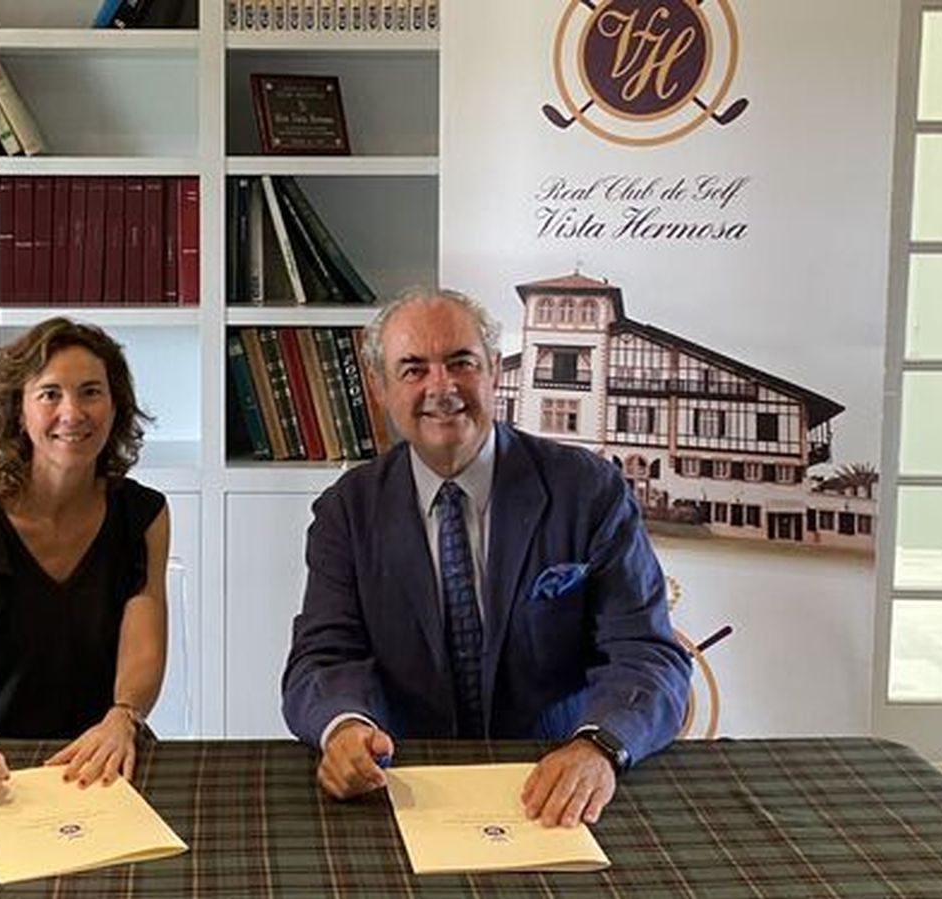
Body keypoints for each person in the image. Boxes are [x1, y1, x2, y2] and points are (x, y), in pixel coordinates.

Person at [281, 288, 690, 827]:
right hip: (406, 781)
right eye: (412, 369)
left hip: (559, 776)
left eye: (460, 362)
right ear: (379, 387)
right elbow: (324, 655)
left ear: (495, 370)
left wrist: (598, 747)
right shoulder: (347, 511)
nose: (441, 387)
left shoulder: (587, 490)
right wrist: (344, 728)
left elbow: (646, 653)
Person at [0, 317, 170, 800]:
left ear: (115, 406)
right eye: (50, 394)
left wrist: (123, 717)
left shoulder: (144, 515)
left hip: (97, 754)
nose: (72, 412)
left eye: (90, 392)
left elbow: (143, 649)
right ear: (19, 411)